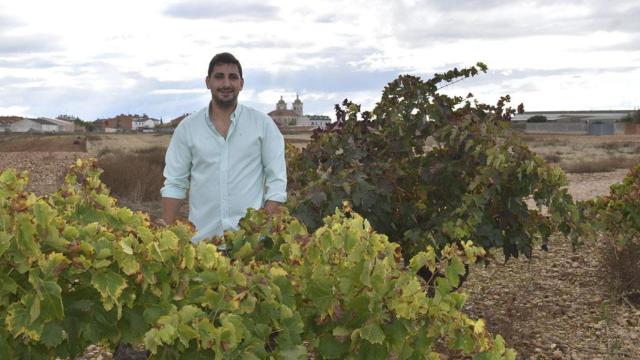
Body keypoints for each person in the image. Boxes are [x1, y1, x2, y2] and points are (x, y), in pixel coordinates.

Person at [160, 52, 287, 242]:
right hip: (203, 244)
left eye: (232, 77)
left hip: (250, 246)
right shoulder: (188, 128)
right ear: (208, 82)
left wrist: (259, 231)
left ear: (241, 84)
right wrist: (165, 236)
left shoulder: (263, 125)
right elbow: (175, 184)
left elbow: (277, 182)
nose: (226, 84)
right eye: (219, 77)